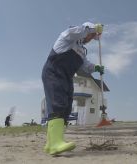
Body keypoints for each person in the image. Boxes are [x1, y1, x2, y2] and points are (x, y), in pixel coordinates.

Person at [42, 21, 104, 155]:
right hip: (53, 72)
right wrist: (93, 28)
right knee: (58, 104)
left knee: (66, 107)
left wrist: (96, 68)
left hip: (67, 76)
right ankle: (55, 143)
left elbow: (84, 66)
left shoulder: (81, 50)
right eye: (91, 35)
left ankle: (50, 143)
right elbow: (79, 31)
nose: (91, 38)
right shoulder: (69, 36)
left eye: (93, 37)